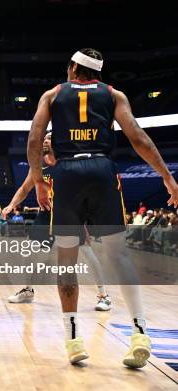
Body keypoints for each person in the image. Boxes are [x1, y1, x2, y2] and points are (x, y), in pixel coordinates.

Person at [27, 48, 178, 367]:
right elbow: (138, 139)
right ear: (96, 73)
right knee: (118, 254)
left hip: (66, 173)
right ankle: (139, 332)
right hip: (102, 170)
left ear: (72, 68)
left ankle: (72, 339)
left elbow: (34, 139)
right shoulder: (114, 94)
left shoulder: (52, 95)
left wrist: (39, 180)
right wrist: (166, 176)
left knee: (66, 260)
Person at [3, 133, 110, 310]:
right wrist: (11, 205)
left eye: (49, 138)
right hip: (46, 215)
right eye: (43, 137)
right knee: (30, 252)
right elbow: (24, 188)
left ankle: (104, 295)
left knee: (87, 253)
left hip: (70, 216)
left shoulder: (70, 164)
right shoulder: (38, 166)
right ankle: (28, 290)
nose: (45, 140)